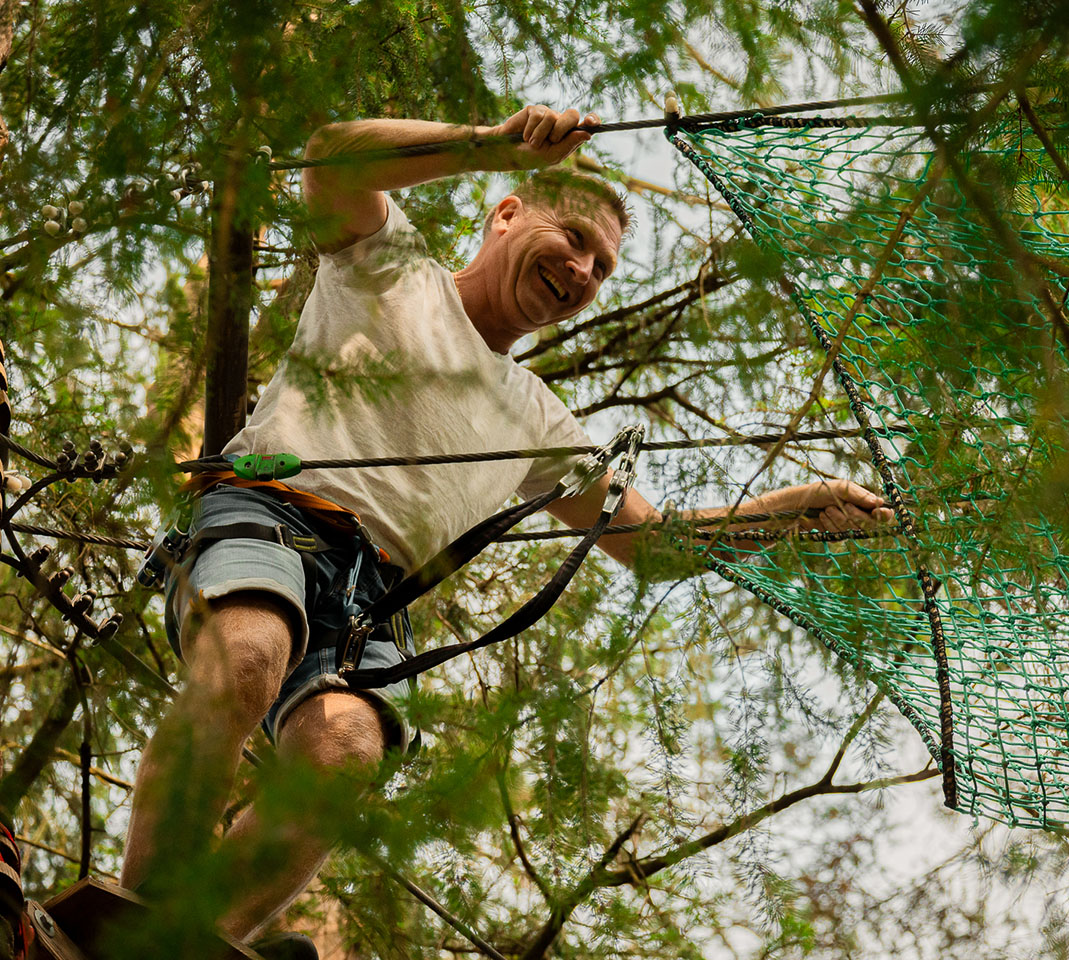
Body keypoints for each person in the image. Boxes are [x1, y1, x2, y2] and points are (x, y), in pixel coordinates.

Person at [119, 104, 894, 950]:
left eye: (602, 267)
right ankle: (139, 915)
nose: (584, 270)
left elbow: (653, 546)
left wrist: (787, 512)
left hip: (374, 601)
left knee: (343, 756)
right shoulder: (391, 263)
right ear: (508, 213)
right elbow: (330, 158)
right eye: (575, 238)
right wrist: (491, 144)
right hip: (270, 517)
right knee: (248, 658)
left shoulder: (539, 421)